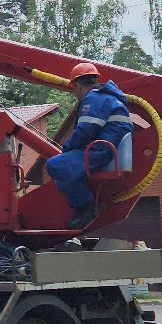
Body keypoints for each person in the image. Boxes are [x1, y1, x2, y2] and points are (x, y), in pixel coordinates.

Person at [43, 61, 133, 229]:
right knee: (66, 162)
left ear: (78, 85)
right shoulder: (108, 98)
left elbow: (85, 131)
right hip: (108, 149)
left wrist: (67, 149)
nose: (74, 93)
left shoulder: (93, 98)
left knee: (55, 164)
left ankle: (87, 207)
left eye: (73, 89)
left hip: (102, 150)